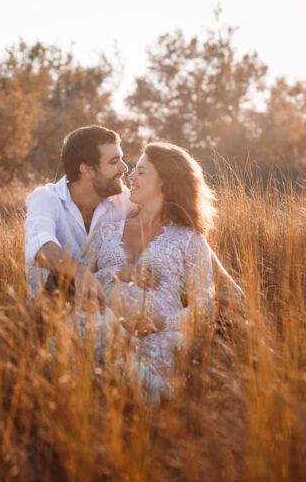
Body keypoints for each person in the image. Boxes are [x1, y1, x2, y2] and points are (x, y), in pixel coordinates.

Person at [83, 142, 235, 396]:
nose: (130, 176)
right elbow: (76, 282)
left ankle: (147, 390)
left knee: (140, 385)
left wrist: (158, 322)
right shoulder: (105, 231)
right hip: (105, 331)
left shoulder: (189, 238)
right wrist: (117, 273)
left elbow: (204, 305)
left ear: (165, 181)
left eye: (141, 172)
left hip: (160, 339)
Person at [24, 125, 157, 301]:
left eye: (122, 159)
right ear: (86, 169)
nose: (124, 168)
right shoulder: (46, 198)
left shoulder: (123, 199)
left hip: (107, 304)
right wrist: (79, 273)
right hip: (52, 308)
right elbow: (41, 245)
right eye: (114, 161)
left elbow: (162, 214)